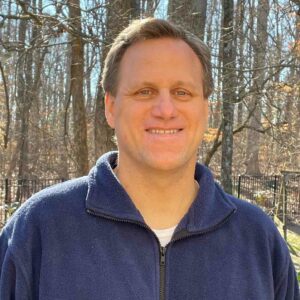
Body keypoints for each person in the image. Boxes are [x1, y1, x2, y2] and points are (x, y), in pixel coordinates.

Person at [0, 18, 299, 300]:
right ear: (110, 107)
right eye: (145, 91)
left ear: (206, 110)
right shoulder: (38, 231)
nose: (165, 109)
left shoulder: (258, 240)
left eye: (182, 92)